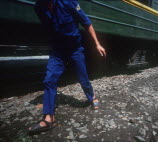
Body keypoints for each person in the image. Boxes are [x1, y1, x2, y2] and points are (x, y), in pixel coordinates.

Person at [28, 0, 106, 133]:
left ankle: (92, 97)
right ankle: (48, 119)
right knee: (49, 79)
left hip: (75, 48)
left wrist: (97, 43)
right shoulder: (39, 7)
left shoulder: (68, 2)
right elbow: (48, 28)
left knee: (82, 77)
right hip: (58, 50)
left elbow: (86, 22)